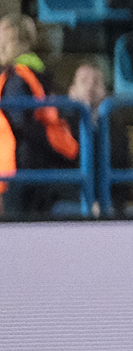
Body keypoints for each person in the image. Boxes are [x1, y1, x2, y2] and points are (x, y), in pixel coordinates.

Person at [0, 12, 78, 215]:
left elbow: (17, 123)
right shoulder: (41, 73)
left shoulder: (17, 78)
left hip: (21, 170)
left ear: (13, 34)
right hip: (45, 164)